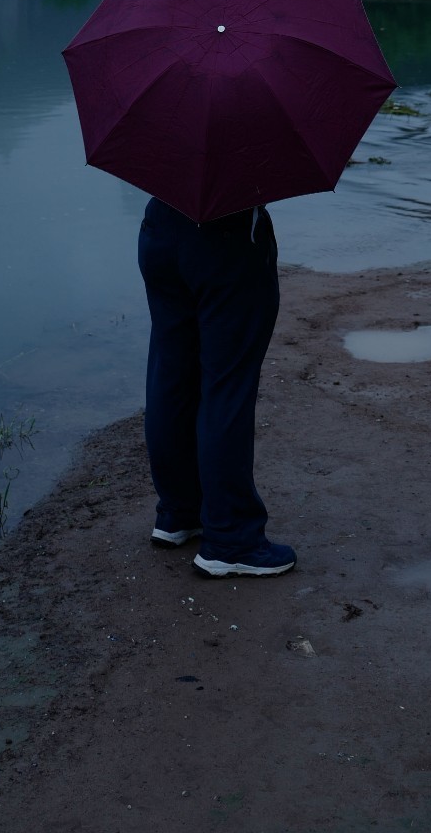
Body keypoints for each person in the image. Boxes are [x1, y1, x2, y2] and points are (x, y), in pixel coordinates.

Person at [137, 194, 295, 577]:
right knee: (227, 388)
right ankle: (231, 538)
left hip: (159, 227)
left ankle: (179, 512)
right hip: (226, 233)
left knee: (171, 376)